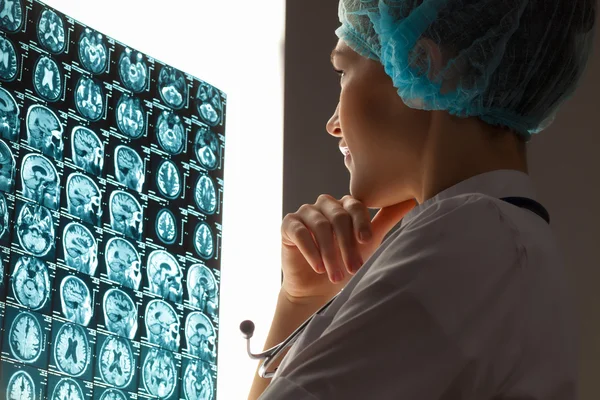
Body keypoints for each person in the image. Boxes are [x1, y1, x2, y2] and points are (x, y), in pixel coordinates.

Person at [249, 0, 596, 398]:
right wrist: (303, 298)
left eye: (343, 72)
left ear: (420, 62)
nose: (332, 124)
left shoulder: (470, 236)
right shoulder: (501, 237)